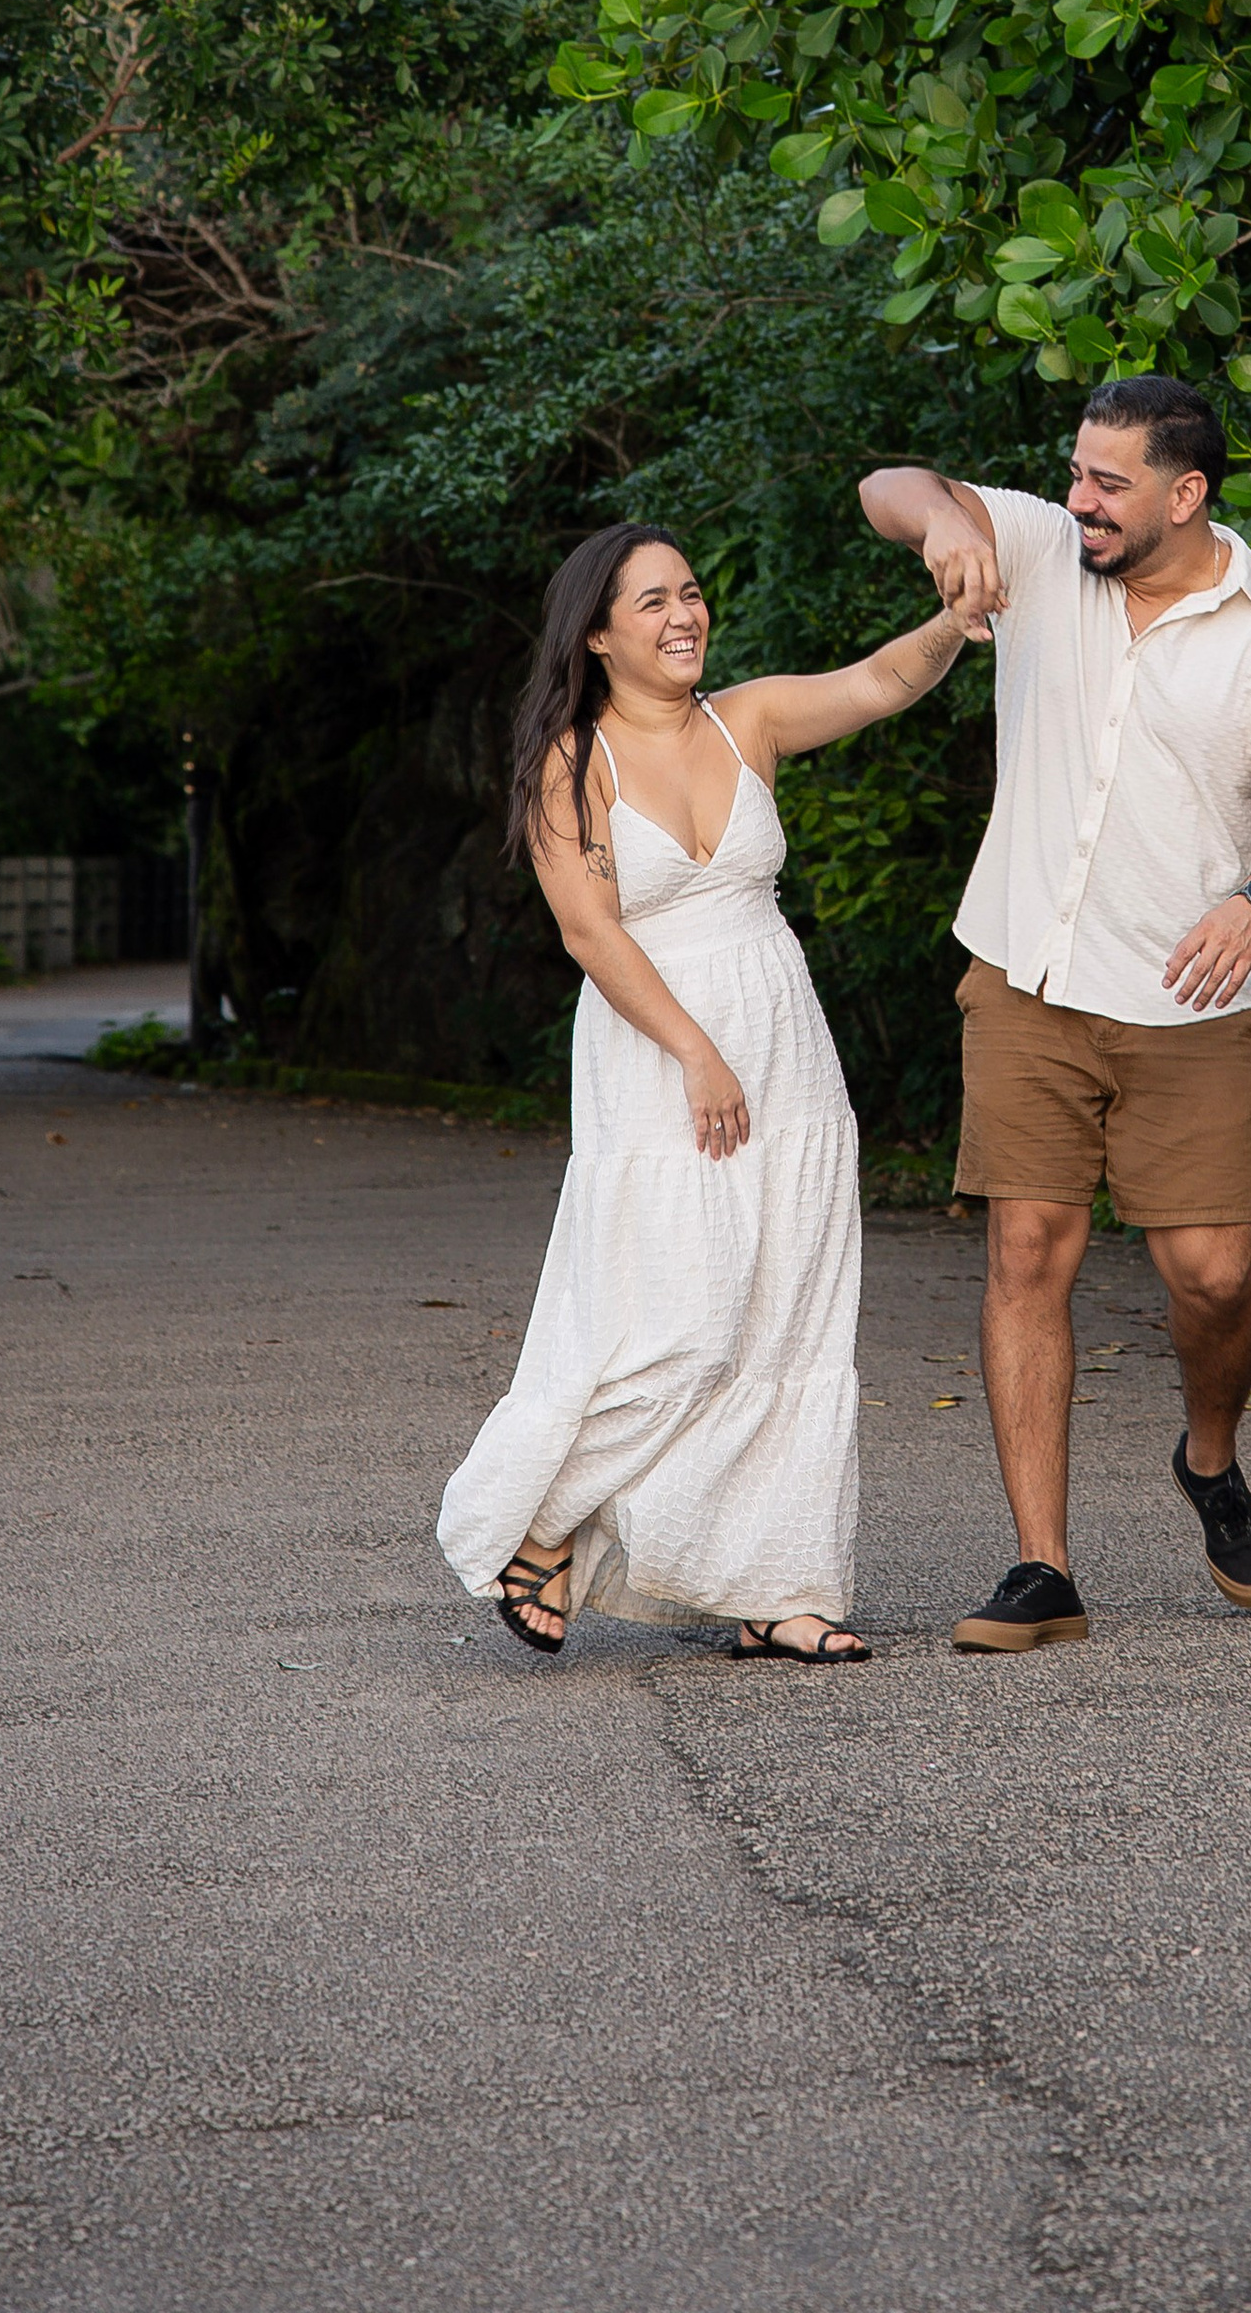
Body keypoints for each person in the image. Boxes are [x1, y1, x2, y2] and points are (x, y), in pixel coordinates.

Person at [861, 378, 1251, 1652]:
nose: (1080, 499)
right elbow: (889, 485)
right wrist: (941, 529)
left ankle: (1208, 1455)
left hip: (1184, 998)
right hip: (1025, 973)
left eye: (1110, 483)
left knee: (1216, 1275)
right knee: (1027, 1253)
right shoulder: (1035, 545)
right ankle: (1043, 1569)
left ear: (1186, 495)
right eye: (1074, 473)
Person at [437, 521, 968, 1663]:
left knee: (789, 1315)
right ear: (596, 634)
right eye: (652, 604)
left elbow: (879, 682)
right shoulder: (572, 762)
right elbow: (588, 930)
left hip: (783, 1039)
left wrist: (955, 621)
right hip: (655, 1051)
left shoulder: (750, 716)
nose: (685, 617)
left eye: (691, 594)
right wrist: (695, 1049)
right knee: (680, 1319)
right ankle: (540, 1522)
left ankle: (781, 1589)